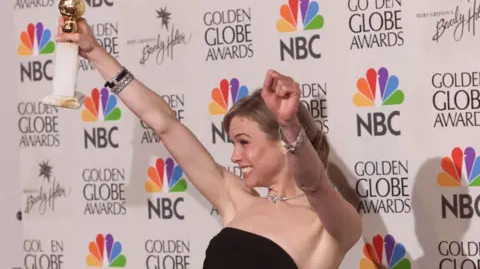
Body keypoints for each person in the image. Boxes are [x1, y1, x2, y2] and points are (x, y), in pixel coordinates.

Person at [56, 17, 362, 269]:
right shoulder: (237, 200)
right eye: (233, 143)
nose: (235, 155)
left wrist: (290, 125)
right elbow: (165, 125)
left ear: (283, 142)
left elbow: (315, 185)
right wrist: (95, 52)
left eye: (244, 142)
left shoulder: (328, 225)